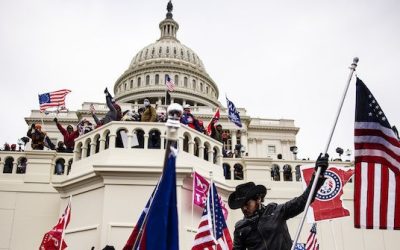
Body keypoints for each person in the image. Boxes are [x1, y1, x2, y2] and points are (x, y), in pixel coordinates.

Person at [228, 153, 329, 250]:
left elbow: (304, 200)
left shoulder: (277, 211)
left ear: (258, 199)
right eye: (241, 206)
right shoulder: (240, 228)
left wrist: (317, 176)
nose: (244, 208)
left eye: (247, 204)